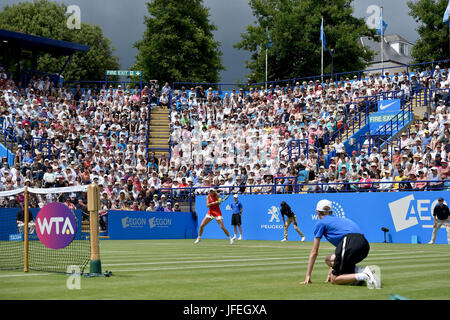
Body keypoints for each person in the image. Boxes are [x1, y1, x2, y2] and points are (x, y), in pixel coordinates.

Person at [300, 199, 381, 289]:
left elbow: (314, 252)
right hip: (364, 245)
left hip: (351, 242)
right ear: (331, 212)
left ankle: (365, 275)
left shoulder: (321, 223)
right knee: (328, 259)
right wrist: (334, 269)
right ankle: (359, 271)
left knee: (334, 279)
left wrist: (308, 276)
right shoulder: (339, 219)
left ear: (317, 212)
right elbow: (340, 252)